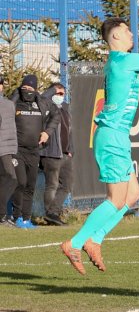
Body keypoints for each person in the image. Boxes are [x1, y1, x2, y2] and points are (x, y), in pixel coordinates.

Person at [60, 16, 139, 275]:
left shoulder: (120, 62)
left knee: (132, 195)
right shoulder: (124, 60)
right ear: (115, 36)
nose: (132, 35)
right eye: (127, 31)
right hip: (113, 137)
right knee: (116, 199)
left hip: (116, 136)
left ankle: (95, 239)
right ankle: (74, 243)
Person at [10, 74, 60, 229]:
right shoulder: (15, 102)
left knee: (30, 185)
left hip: (34, 151)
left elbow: (56, 115)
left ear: (36, 89)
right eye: (24, 87)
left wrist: (47, 132)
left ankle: (26, 219)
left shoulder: (42, 103)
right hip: (17, 150)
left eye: (30, 88)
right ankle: (16, 216)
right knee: (21, 183)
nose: (27, 90)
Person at [40, 83, 74, 226]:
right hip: (51, 153)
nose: (61, 96)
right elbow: (42, 98)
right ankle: (50, 214)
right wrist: (52, 90)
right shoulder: (45, 106)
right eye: (58, 93)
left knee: (67, 184)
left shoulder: (65, 108)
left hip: (66, 154)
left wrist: (71, 149)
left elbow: (70, 130)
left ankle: (54, 212)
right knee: (52, 185)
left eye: (62, 94)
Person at [0, 75, 19, 227]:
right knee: (11, 178)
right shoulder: (6, 104)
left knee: (9, 179)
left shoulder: (8, 104)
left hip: (7, 148)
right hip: (3, 148)